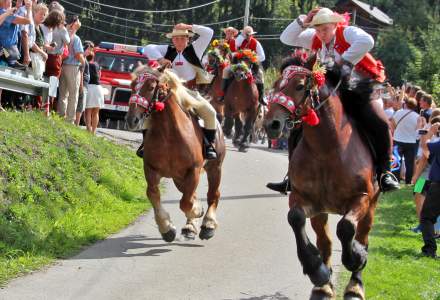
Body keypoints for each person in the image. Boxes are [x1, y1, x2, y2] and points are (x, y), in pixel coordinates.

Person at [268, 7, 400, 193]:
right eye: (318, 30)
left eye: (325, 29)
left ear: (335, 25)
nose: (321, 34)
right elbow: (286, 38)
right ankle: (292, 176)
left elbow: (367, 41)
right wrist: (302, 21)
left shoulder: (347, 32)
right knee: (300, 124)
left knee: (378, 121)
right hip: (332, 91)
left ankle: (385, 173)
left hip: (360, 86)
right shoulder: (315, 38)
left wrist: (342, 61)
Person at [142, 23, 218, 160]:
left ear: (188, 39)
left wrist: (189, 26)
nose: (179, 41)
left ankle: (208, 146)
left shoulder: (195, 49)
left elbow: (209, 32)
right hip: (168, 92)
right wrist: (161, 59)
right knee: (147, 113)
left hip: (190, 92)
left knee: (211, 113)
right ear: (172, 40)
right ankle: (145, 144)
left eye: (183, 38)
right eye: (176, 38)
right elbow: (147, 48)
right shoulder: (167, 50)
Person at [219, 25, 266, 105]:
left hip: (251, 65)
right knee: (225, 70)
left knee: (260, 74)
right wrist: (239, 54)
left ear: (252, 35)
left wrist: (252, 57)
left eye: (249, 35)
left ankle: (262, 97)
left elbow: (262, 57)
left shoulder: (256, 43)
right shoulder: (238, 41)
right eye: (245, 35)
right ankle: (223, 94)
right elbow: (232, 52)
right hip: (237, 63)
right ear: (243, 35)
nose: (247, 36)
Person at [57, 15, 84, 123]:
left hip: (62, 65)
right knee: (73, 94)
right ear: (74, 23)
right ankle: (69, 119)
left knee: (63, 93)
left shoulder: (64, 34)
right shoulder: (76, 38)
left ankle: (61, 115)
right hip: (73, 67)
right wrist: (83, 62)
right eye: (78, 21)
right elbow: (78, 55)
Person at [419, 119, 440, 258]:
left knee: (425, 214)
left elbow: (423, 158)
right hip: (425, 179)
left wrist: (414, 177)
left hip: (424, 179)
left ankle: (429, 249)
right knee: (418, 197)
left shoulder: (436, 143)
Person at [0, 0, 32, 68]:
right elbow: (27, 21)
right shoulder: (4, 12)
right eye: (10, 1)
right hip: (5, 52)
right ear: (4, 1)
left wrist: (17, 7)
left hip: (7, 52)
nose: (12, 1)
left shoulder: (5, 13)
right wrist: (29, 9)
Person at [84, 44, 103, 134]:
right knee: (96, 112)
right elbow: (100, 75)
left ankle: (88, 129)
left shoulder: (85, 63)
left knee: (88, 111)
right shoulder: (97, 65)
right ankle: (94, 131)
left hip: (90, 88)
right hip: (98, 88)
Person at [75, 41, 91, 126]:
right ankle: (76, 123)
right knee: (80, 105)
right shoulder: (82, 59)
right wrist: (81, 85)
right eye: (88, 49)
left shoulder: (84, 58)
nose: (89, 51)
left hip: (85, 85)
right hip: (82, 84)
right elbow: (81, 72)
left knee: (81, 105)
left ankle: (76, 122)